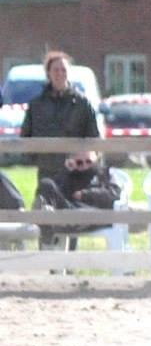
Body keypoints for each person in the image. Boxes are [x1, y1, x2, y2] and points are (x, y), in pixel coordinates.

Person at [21, 51, 100, 183]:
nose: (60, 74)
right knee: (46, 200)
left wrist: (84, 159)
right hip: (46, 169)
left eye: (63, 70)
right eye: (56, 70)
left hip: (75, 169)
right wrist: (38, 158)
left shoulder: (82, 103)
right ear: (48, 73)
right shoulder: (37, 104)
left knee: (73, 203)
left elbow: (93, 136)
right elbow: (26, 135)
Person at [35, 150, 122, 246]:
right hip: (69, 210)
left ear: (96, 158)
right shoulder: (71, 173)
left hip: (94, 212)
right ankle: (48, 221)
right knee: (46, 183)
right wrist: (65, 172)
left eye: (88, 162)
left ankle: (50, 223)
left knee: (80, 215)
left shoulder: (105, 173)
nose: (84, 166)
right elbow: (57, 192)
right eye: (79, 163)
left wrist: (85, 194)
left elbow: (115, 194)